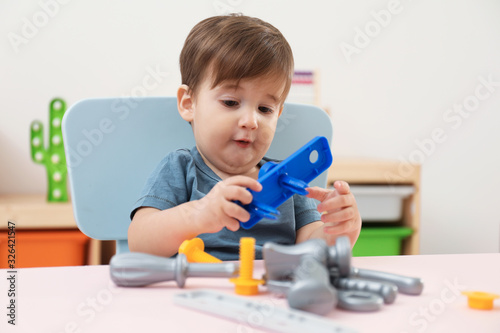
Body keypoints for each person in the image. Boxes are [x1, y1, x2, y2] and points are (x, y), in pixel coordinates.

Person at [128, 14, 361, 260]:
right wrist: (197, 214)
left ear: (278, 114)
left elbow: (313, 247)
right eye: (230, 102)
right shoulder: (180, 168)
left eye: (265, 109)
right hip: (198, 289)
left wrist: (339, 232)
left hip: (271, 291)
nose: (251, 121)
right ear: (189, 104)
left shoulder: (286, 180)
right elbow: (140, 242)